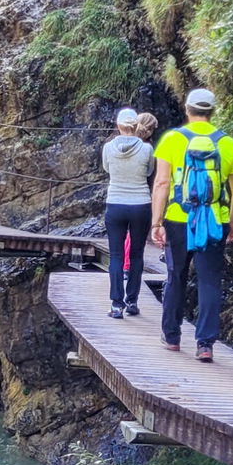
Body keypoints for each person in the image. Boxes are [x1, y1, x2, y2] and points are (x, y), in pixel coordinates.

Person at [149, 88, 233, 362]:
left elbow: (162, 183)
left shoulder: (172, 139)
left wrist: (157, 222)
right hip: (215, 221)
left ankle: (171, 335)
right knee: (210, 281)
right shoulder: (227, 144)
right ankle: (205, 344)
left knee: (176, 274)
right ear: (212, 112)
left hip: (179, 218)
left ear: (187, 109)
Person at [103, 109, 154, 319]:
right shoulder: (147, 148)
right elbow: (149, 172)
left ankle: (116, 304)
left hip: (115, 202)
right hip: (140, 203)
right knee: (136, 254)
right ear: (136, 125)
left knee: (116, 255)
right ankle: (132, 301)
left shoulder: (108, 147)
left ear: (118, 125)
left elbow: (107, 169)